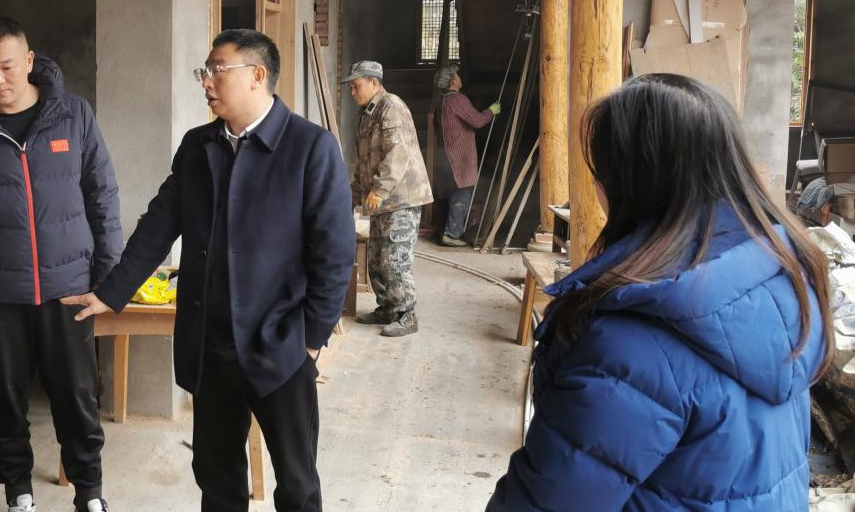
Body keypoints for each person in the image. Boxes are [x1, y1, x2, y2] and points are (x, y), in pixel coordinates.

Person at [488, 73, 834, 511]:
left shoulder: (629, 343)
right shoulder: (785, 279)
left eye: (601, 173)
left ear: (634, 184)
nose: (595, 187)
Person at [61, 29, 355, 512]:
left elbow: (335, 254)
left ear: (257, 75)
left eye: (218, 70)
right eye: (206, 70)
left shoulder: (309, 148)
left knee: (297, 482)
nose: (206, 82)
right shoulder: (199, 146)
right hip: (211, 344)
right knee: (217, 479)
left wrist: (309, 340)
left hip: (279, 344)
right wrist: (112, 292)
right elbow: (160, 223)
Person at [0, 17, 122, 512]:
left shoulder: (73, 114)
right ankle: (18, 493)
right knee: (5, 397)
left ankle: (90, 494)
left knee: (77, 397)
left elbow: (102, 197)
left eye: (8, 66)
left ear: (29, 61)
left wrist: (109, 281)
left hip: (69, 287)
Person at [342, 60, 433, 337]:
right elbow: (363, 161)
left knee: (394, 259)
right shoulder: (367, 113)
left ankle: (407, 314)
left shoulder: (391, 106)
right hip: (381, 201)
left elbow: (398, 153)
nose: (352, 92)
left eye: (356, 86)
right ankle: (388, 308)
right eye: (351, 87)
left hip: (400, 198)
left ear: (374, 83)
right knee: (377, 259)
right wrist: (354, 194)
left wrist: (379, 190)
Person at [435, 65, 500, 247]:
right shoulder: (457, 99)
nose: (459, 76)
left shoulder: (441, 101)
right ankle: (451, 234)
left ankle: (446, 229)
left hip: (446, 155)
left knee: (451, 193)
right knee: (462, 193)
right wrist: (491, 111)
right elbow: (477, 121)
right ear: (452, 81)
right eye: (456, 74)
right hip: (459, 155)